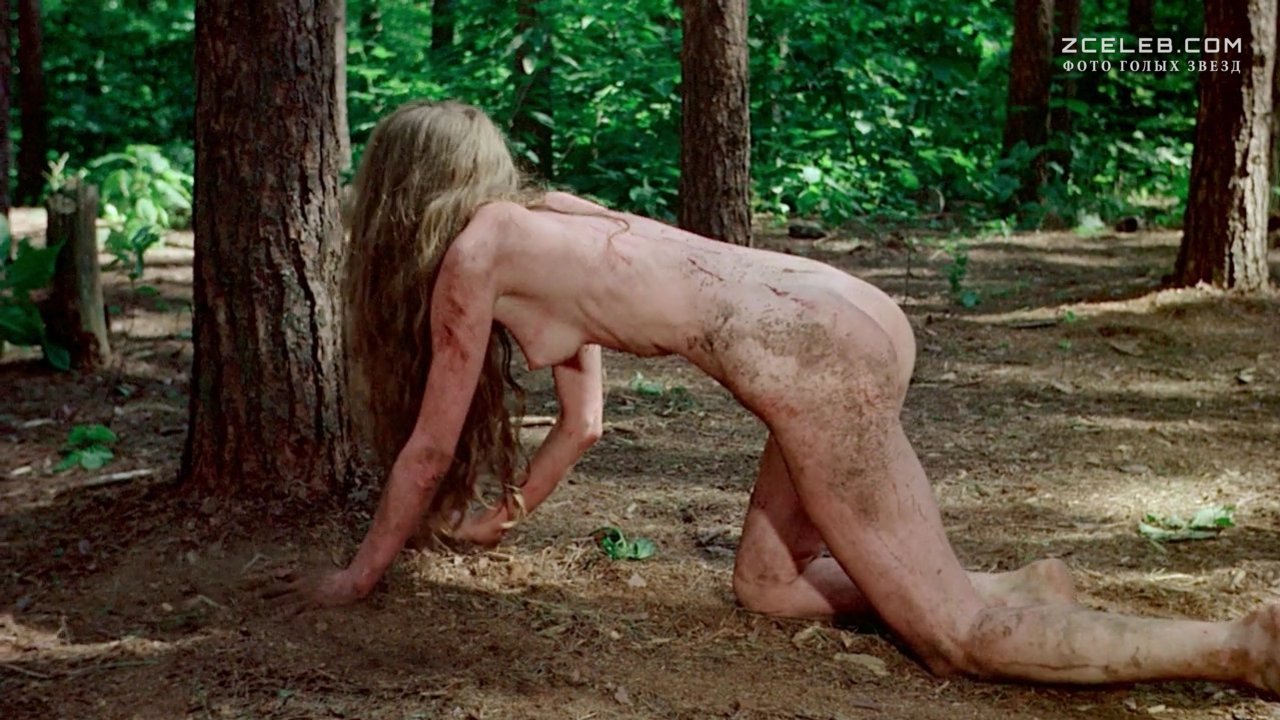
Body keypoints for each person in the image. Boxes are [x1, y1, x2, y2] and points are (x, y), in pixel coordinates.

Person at [276, 99, 1280, 693]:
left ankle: (1238, 648)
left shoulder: (473, 259)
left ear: (399, 194)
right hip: (829, 305)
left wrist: (360, 576)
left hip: (813, 352)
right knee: (765, 585)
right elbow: (583, 423)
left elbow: (426, 450)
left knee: (954, 638)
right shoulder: (546, 226)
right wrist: (511, 513)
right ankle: (1023, 584)